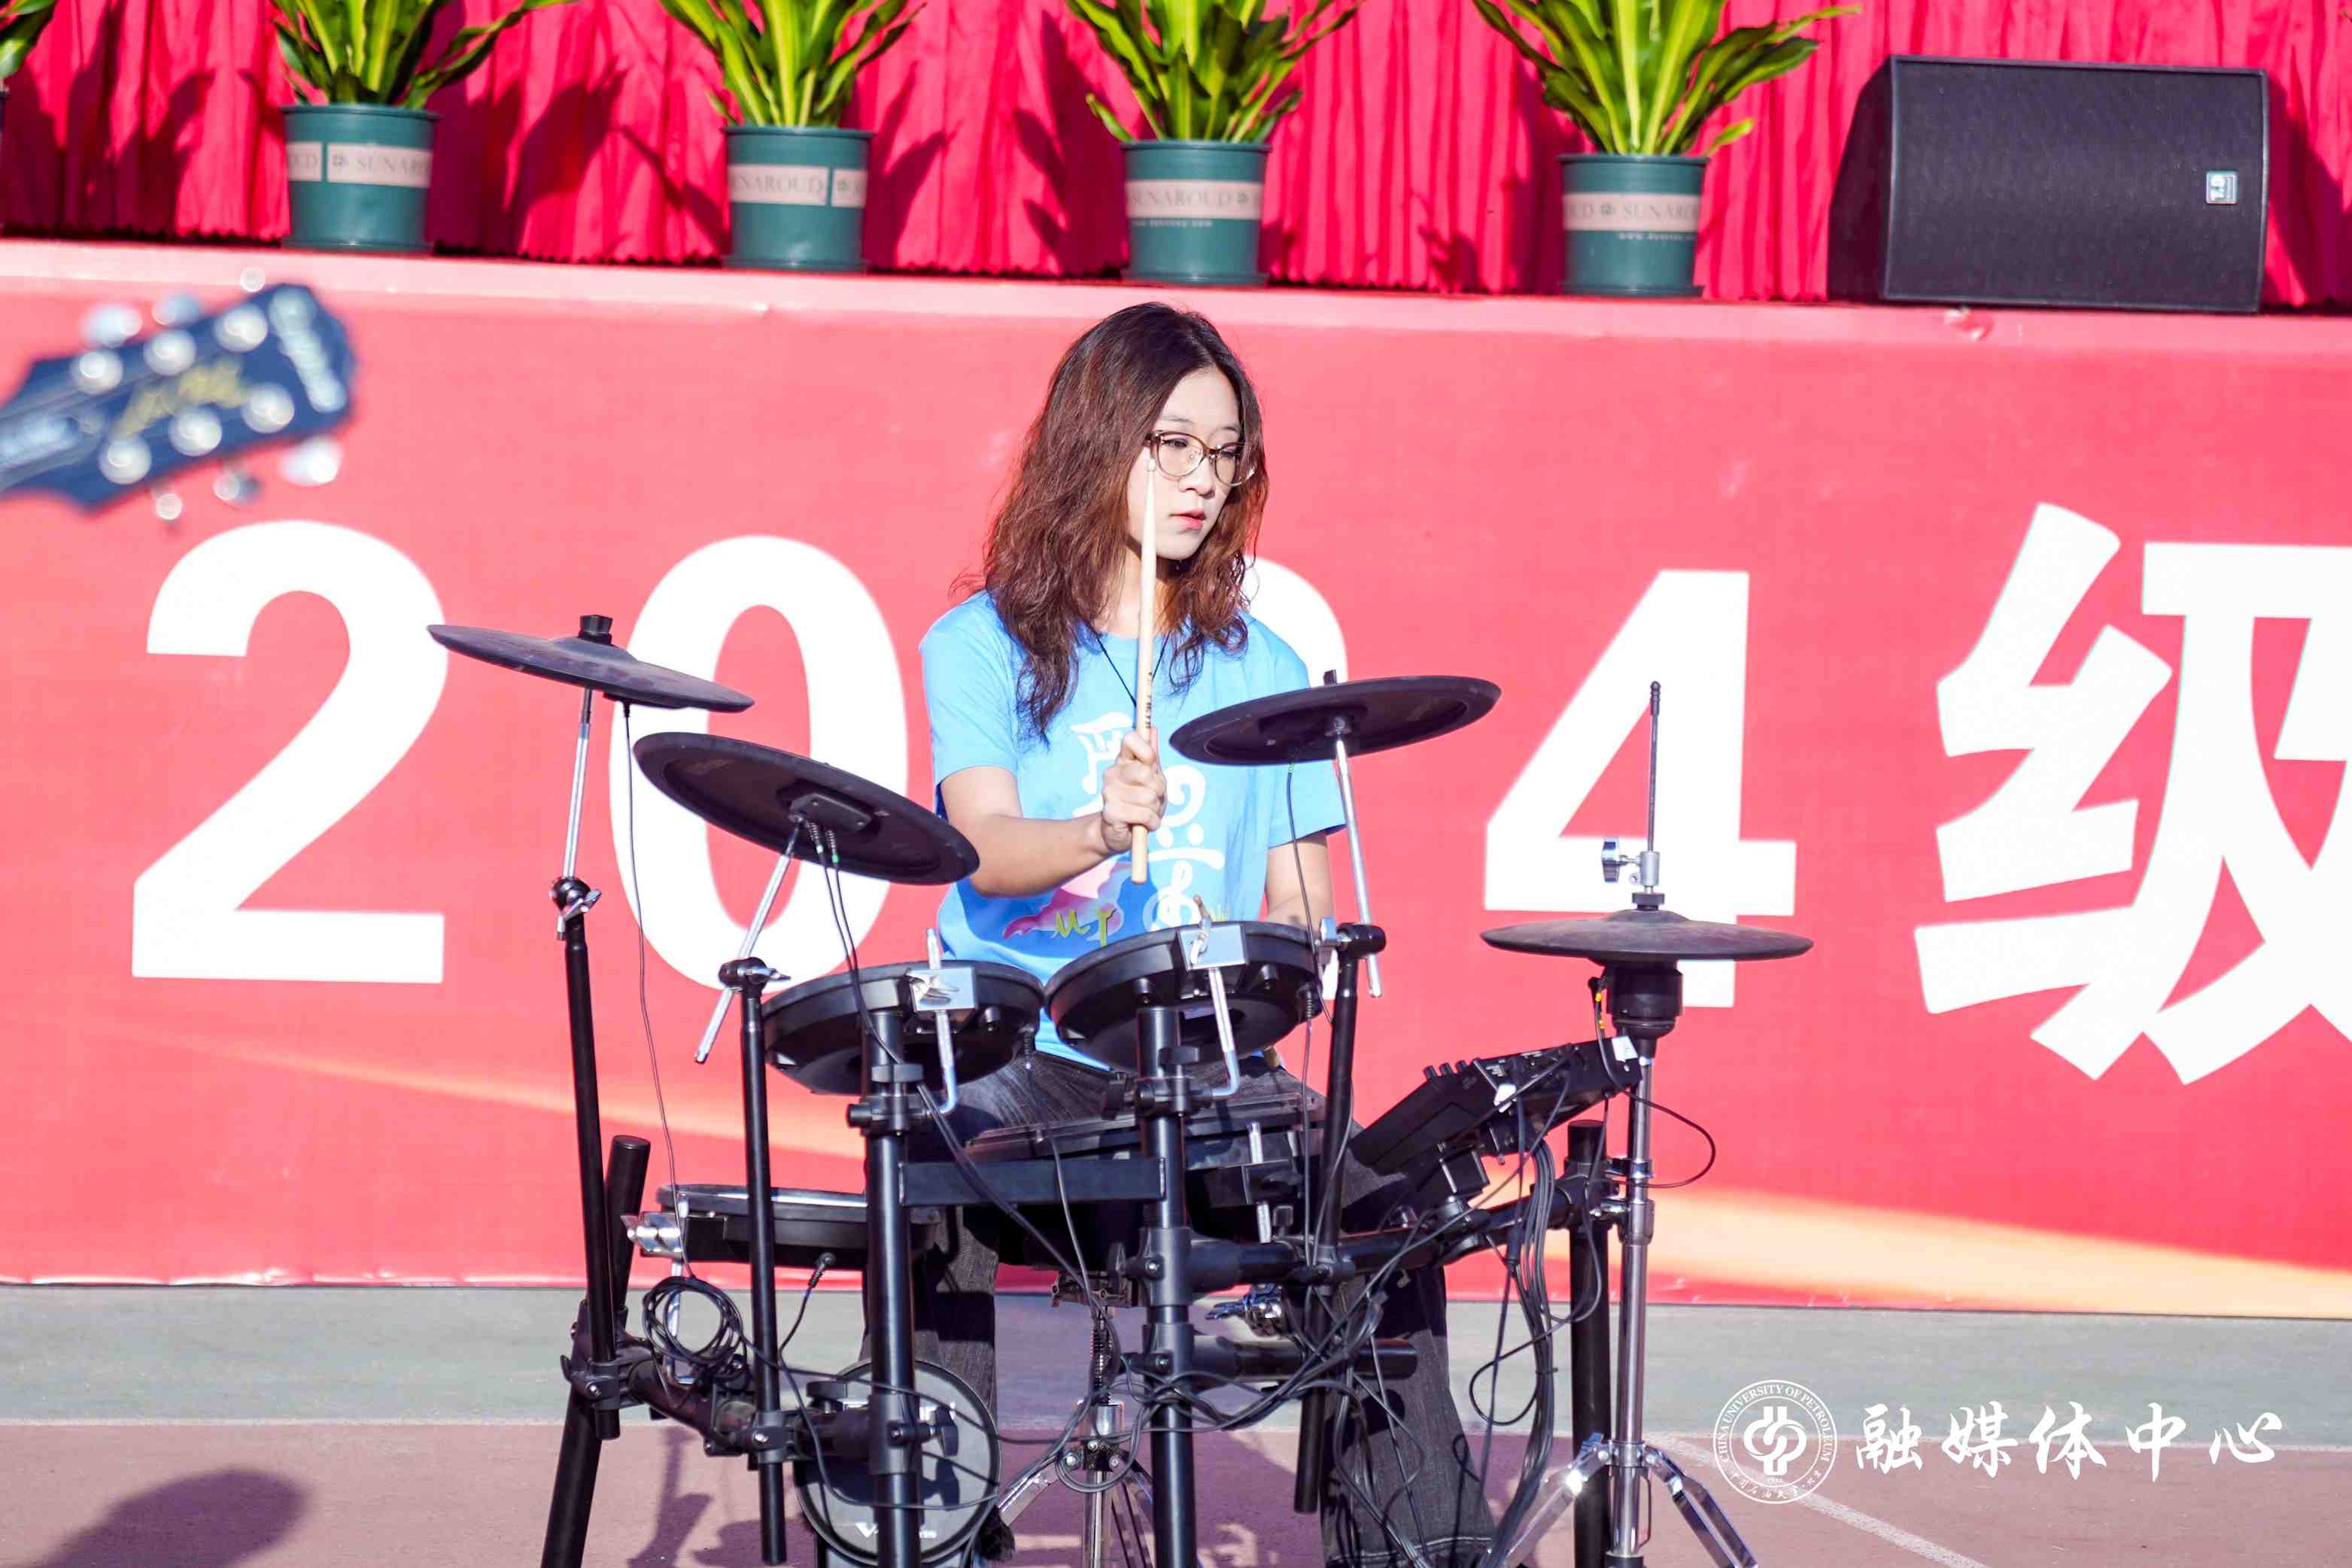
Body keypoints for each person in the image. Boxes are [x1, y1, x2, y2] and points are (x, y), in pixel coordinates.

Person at [913, 302, 1494, 1568]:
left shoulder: (1265, 664)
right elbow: (982, 846)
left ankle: (1417, 1545)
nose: (1199, 480)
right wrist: (1096, 829)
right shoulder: (984, 644)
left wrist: (1300, 945)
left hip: (1208, 1061)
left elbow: (1298, 898)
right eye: (1170, 444)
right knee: (926, 1178)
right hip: (1034, 1056)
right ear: (1097, 439)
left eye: (1223, 454)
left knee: (1382, 1210)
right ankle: (932, 1527)